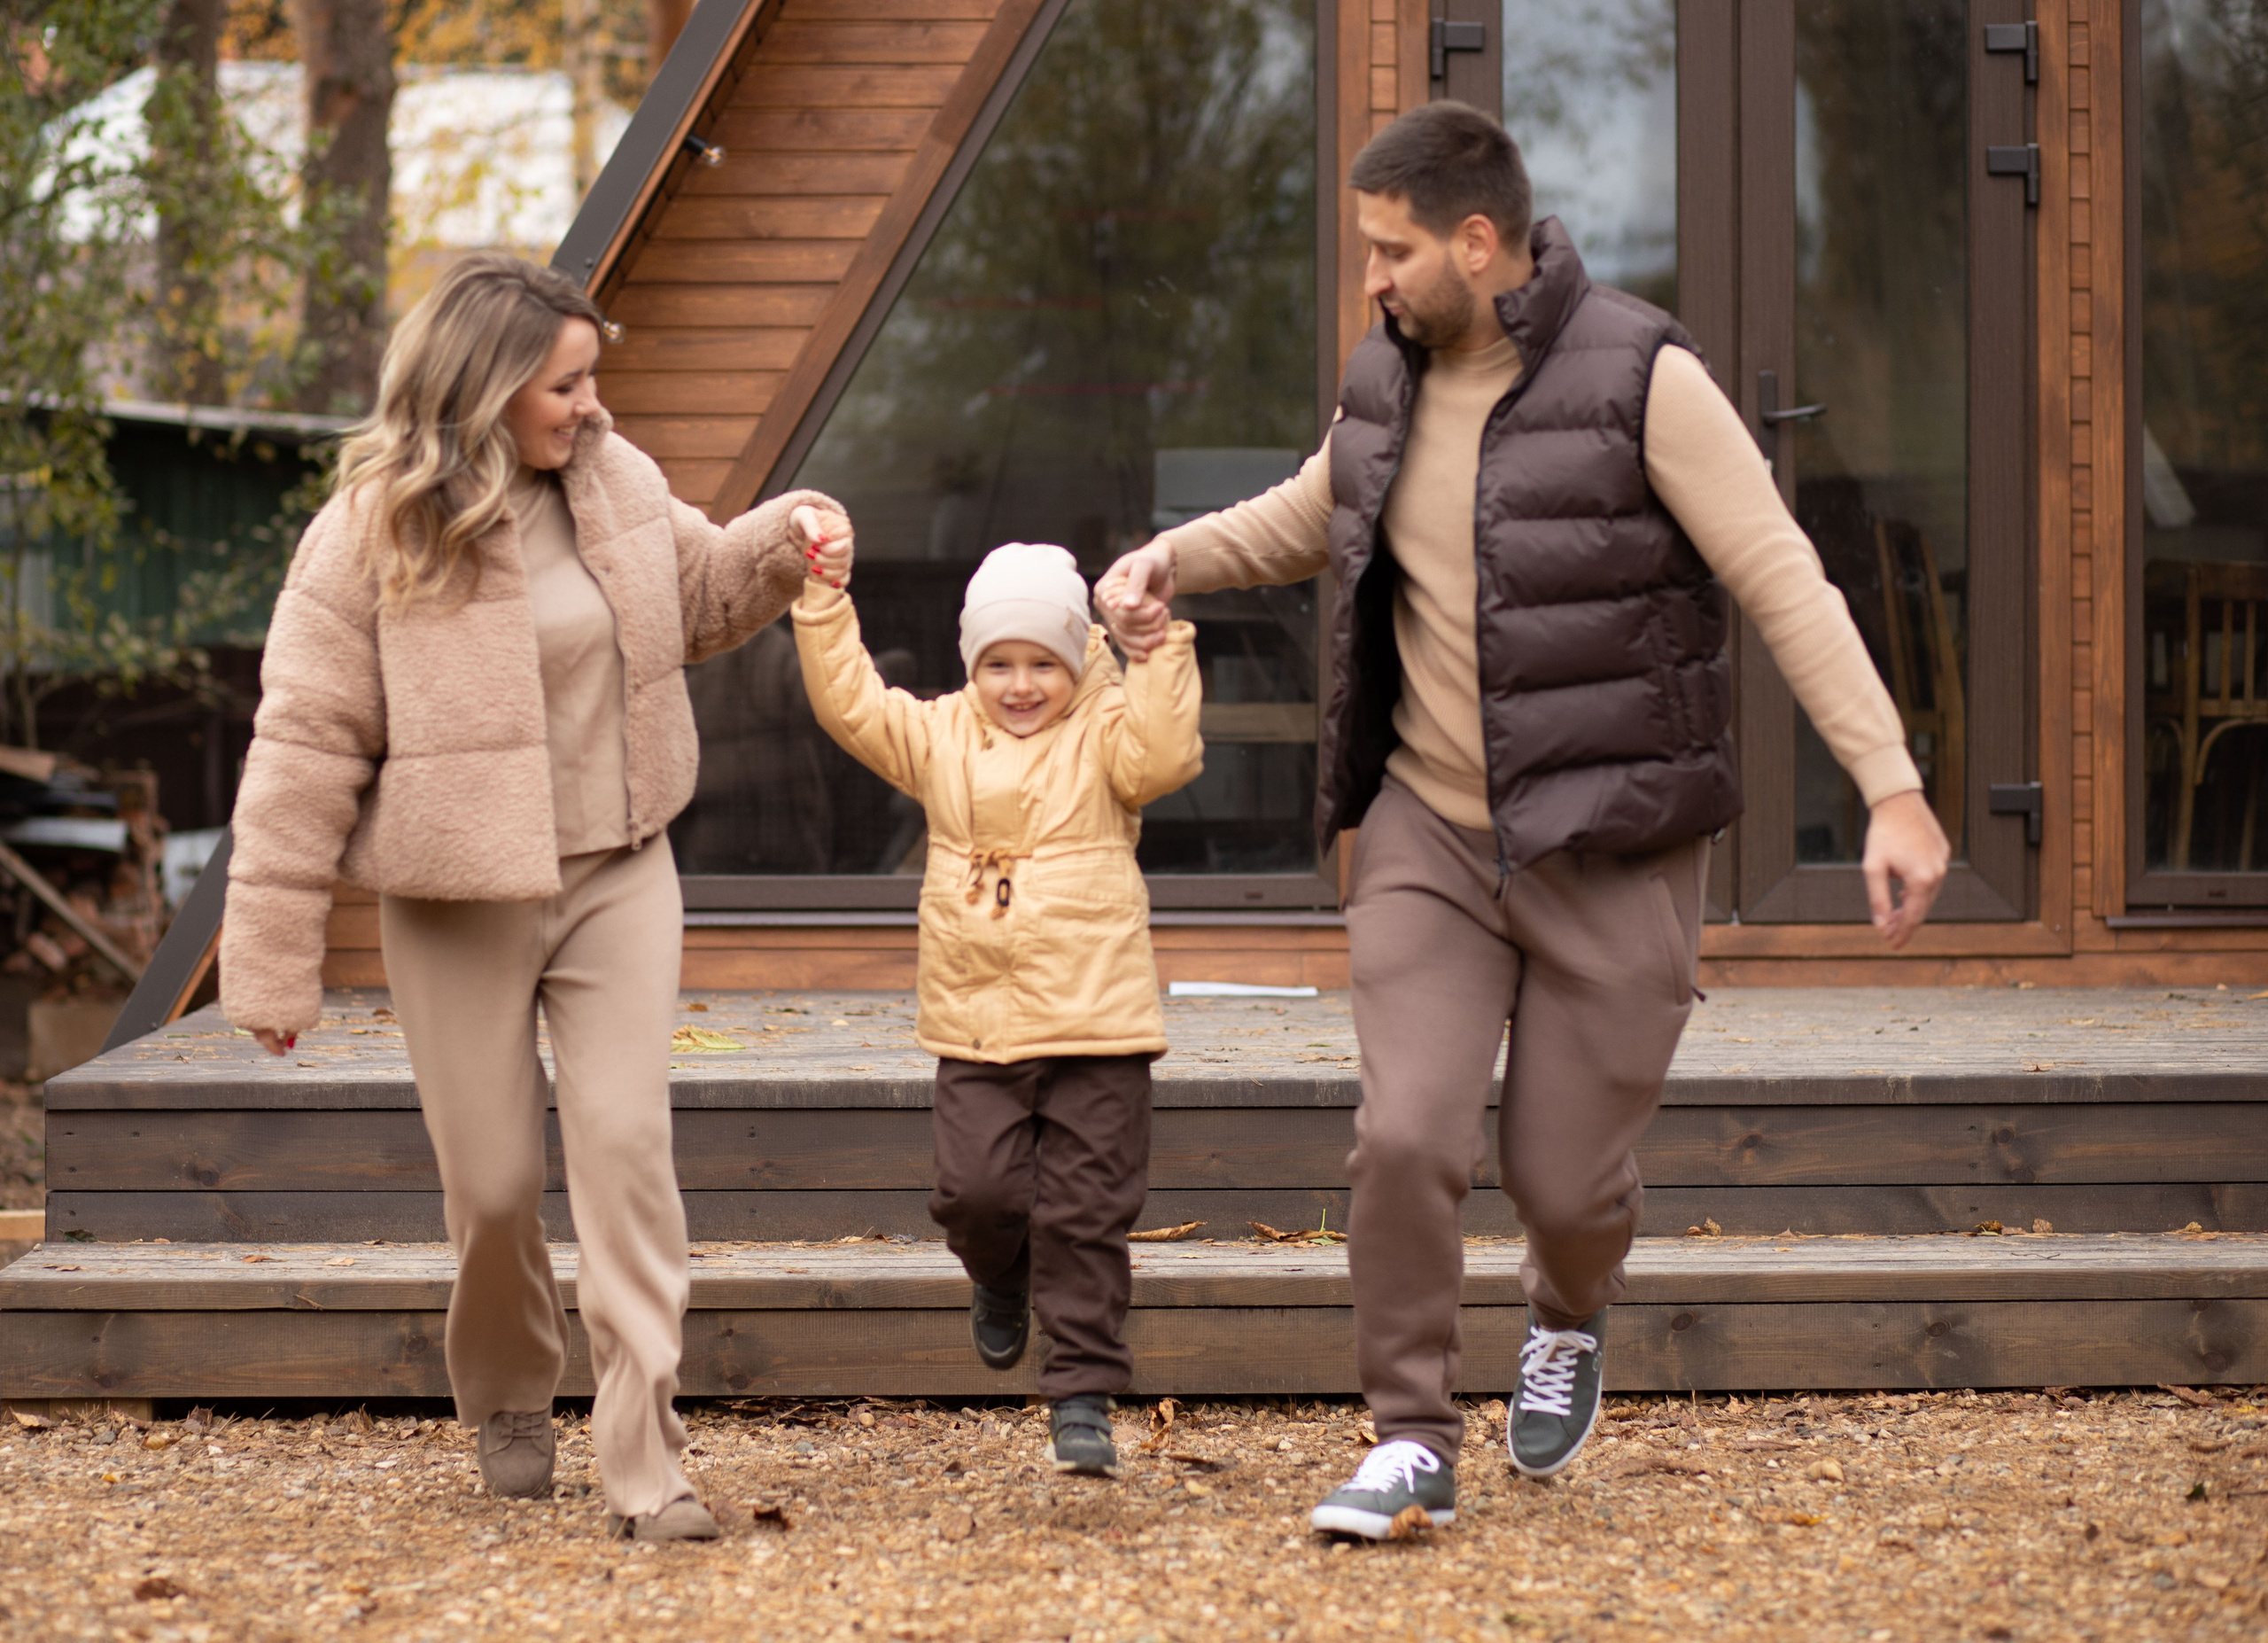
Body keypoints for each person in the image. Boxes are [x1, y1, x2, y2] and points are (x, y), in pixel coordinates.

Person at [1097, 104, 1952, 1538]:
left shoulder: (1642, 375)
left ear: (1476, 241)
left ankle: (1566, 1307)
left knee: (1565, 1178)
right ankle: (1410, 1432)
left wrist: (1895, 784)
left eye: (1392, 247)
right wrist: (1169, 557)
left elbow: (1784, 578)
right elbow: (1318, 509)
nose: (1370, 277)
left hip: (1607, 834)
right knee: (1408, 1133)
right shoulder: (1389, 378)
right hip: (1429, 829)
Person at [220, 252, 850, 1541]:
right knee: (497, 1185)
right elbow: (303, 745)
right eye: (566, 384)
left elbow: (702, 595)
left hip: (620, 870)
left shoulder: (615, 482)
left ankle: (646, 1461)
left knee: (626, 1152)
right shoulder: (370, 532)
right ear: (491, 385)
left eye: (592, 379)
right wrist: (270, 962)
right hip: (458, 900)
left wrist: (789, 536)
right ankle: (509, 1392)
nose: (589, 405)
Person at [793, 538, 1203, 1477]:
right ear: (971, 664)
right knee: (977, 1196)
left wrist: (1157, 650)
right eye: (998, 665)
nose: (1021, 686)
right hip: (978, 1020)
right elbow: (853, 705)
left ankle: (1082, 1395)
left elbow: (1168, 753)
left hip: (1098, 1020)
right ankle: (998, 1272)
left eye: (1043, 665)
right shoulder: (940, 734)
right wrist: (821, 602)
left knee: (1086, 1212)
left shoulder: (1108, 732)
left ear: (1076, 660)